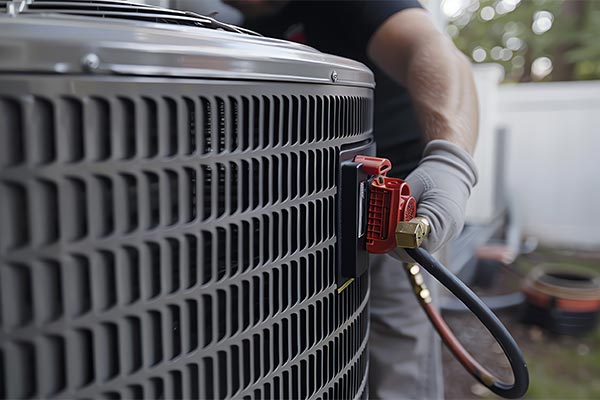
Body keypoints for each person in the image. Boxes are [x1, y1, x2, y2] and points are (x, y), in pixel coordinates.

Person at [225, 1, 479, 398]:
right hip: (300, 229)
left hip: (393, 216)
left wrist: (452, 163)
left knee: (397, 368)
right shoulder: (245, 28)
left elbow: (433, 49)